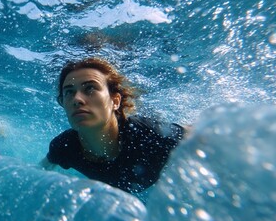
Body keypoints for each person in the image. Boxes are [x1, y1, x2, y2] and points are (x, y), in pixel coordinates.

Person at [41, 57, 185, 195]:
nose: (77, 99)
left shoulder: (150, 134)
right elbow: (40, 171)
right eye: (69, 92)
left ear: (115, 101)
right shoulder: (64, 147)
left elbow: (200, 135)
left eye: (90, 88)